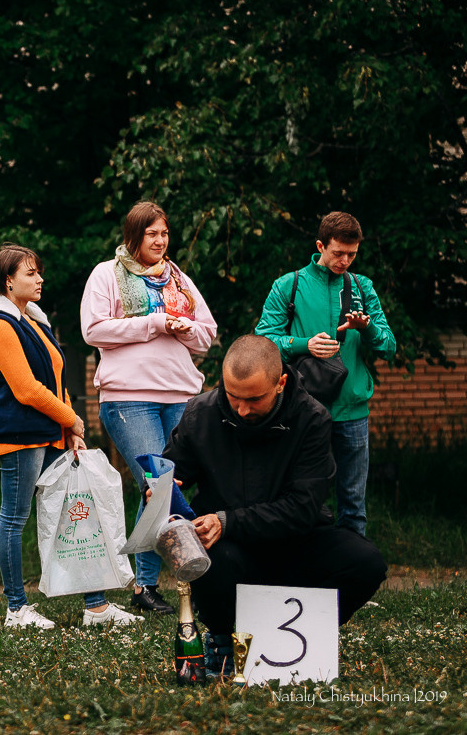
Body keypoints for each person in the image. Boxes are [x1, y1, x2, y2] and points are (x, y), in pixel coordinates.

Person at [155, 334, 387, 676]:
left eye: (253, 399)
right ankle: (222, 637)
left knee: (366, 562)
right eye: (233, 396)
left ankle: (304, 630)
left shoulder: (313, 418)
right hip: (230, 549)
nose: (242, 409)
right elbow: (174, 471)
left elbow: (302, 507)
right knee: (209, 557)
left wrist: (226, 520)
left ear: (280, 383)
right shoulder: (199, 413)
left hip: (296, 539)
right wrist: (161, 489)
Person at [0, 244, 143, 630]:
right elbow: (26, 389)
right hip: (20, 435)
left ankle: (96, 607)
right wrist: (72, 418)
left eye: (39, 272)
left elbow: (55, 381)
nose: (40, 279)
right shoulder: (0, 324)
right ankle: (16, 609)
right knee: (14, 518)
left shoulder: (34, 321)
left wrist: (69, 428)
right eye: (31, 273)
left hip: (51, 432)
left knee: (76, 511)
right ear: (8, 281)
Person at [79, 201, 217, 615]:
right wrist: (156, 323)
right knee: (159, 482)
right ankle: (183, 572)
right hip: (129, 397)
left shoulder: (179, 280)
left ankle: (146, 587)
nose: (160, 241)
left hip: (181, 395)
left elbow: (207, 336)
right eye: (151, 234)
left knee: (164, 486)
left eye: (164, 234)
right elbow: (93, 329)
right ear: (133, 236)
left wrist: (184, 326)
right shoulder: (107, 274)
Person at [254, 211, 396, 536]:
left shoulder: (363, 287)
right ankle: (302, 564)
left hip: (353, 412)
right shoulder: (289, 285)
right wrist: (304, 344)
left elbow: (389, 346)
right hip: (302, 410)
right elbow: (263, 342)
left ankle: (352, 566)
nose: (345, 261)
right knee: (299, 500)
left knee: (353, 507)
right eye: (338, 253)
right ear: (320, 246)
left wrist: (367, 328)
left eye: (352, 254)